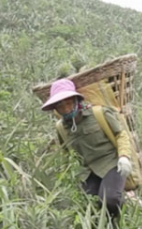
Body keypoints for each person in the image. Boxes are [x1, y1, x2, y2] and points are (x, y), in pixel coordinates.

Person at [42, 79, 133, 217]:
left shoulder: (99, 113)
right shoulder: (61, 127)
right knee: (89, 209)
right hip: (87, 172)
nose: (66, 109)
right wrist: (66, 177)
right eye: (60, 106)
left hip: (111, 164)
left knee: (110, 200)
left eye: (68, 103)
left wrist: (124, 156)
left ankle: (122, 226)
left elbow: (121, 134)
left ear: (75, 100)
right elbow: (66, 153)